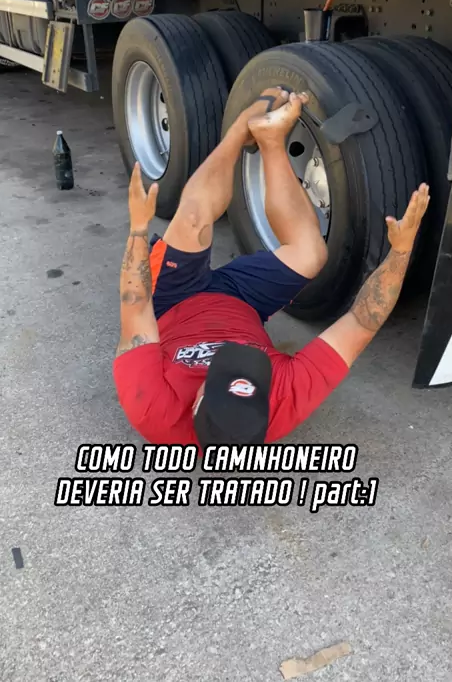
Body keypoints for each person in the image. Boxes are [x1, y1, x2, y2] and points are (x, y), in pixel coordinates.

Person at [113, 88, 430, 448]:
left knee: (192, 220)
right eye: (253, 376)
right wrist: (401, 251)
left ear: (197, 402)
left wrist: (138, 230)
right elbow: (363, 320)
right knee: (311, 254)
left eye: (221, 371)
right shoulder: (284, 400)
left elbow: (135, 305)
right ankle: (270, 138)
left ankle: (237, 132)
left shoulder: (152, 408)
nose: (228, 358)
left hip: (172, 301)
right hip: (242, 305)